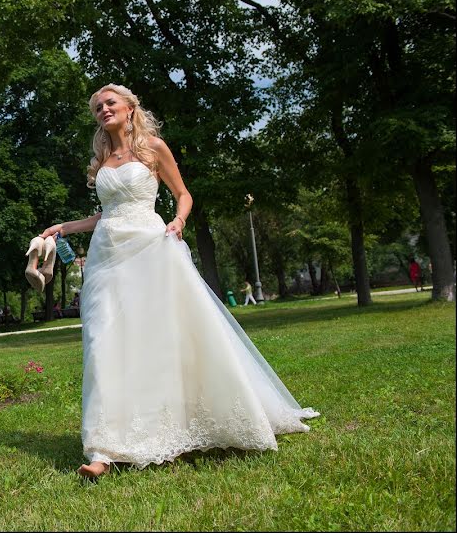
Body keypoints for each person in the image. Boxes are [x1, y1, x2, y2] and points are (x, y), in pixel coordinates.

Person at [33, 84, 318, 479]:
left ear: (130, 108)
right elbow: (104, 216)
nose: (103, 109)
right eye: (97, 107)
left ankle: (162, 429)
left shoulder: (153, 148)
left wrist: (179, 221)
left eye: (110, 103)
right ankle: (103, 449)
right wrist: (62, 228)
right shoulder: (102, 159)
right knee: (102, 343)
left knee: (158, 340)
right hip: (106, 257)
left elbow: (183, 194)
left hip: (151, 249)